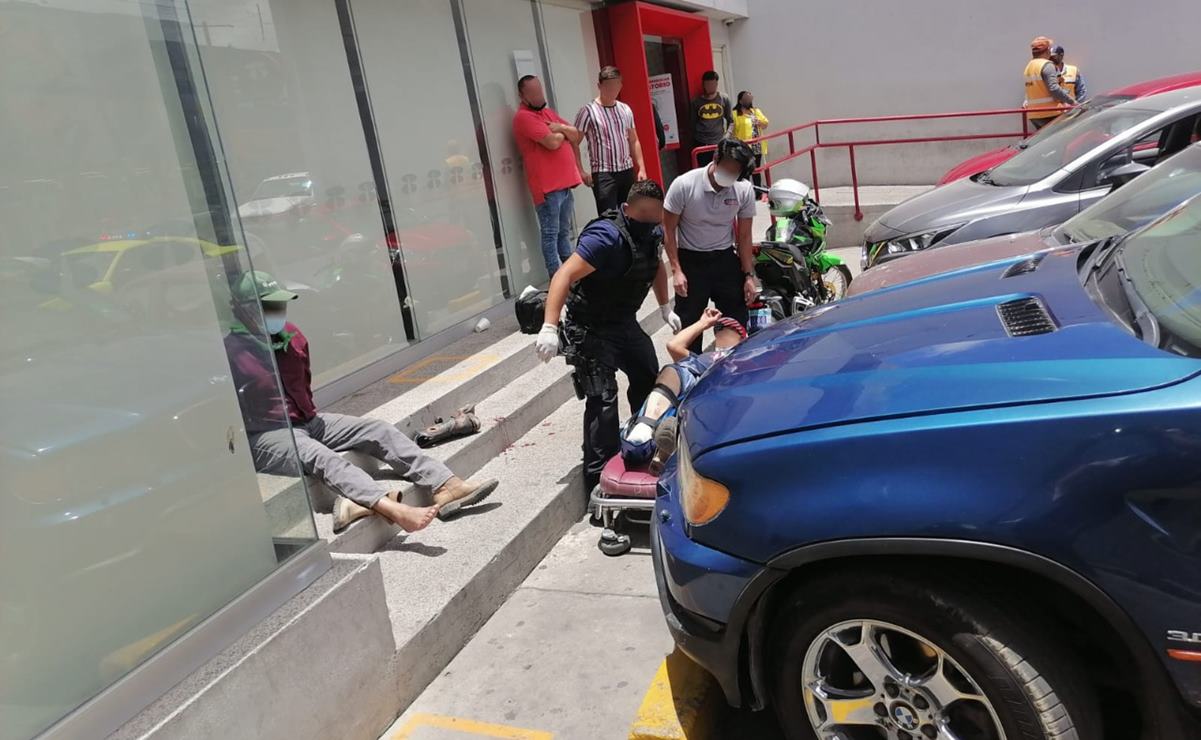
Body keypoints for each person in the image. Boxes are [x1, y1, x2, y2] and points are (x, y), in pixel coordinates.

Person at [225, 271, 498, 534]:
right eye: (269, 306)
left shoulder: (292, 335)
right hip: (266, 433)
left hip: (307, 420)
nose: (278, 311)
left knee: (377, 429)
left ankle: (445, 485)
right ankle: (393, 509)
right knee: (319, 455)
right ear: (245, 309)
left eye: (280, 305)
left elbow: (303, 385)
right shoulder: (231, 351)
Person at [533, 180, 681, 494]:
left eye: (655, 215)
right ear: (627, 209)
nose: (649, 220)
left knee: (648, 381)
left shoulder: (653, 232)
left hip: (624, 322)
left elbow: (655, 264)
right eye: (643, 214)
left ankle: (642, 444)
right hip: (591, 327)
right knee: (602, 401)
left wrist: (665, 307)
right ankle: (597, 480)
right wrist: (549, 326)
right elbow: (564, 274)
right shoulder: (605, 236)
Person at [620, 308, 746, 472]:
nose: (723, 327)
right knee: (673, 370)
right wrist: (703, 323)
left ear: (744, 338)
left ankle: (666, 448)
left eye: (732, 326)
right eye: (719, 327)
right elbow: (673, 345)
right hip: (695, 383)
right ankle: (645, 429)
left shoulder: (746, 357)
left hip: (717, 392)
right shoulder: (700, 360)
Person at [663, 138, 758, 354]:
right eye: (727, 168)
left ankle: (731, 365)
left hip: (725, 258)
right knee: (689, 325)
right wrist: (676, 270)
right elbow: (668, 230)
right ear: (716, 159)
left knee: (736, 320)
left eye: (736, 172)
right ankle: (691, 369)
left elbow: (744, 236)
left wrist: (748, 275)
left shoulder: (743, 189)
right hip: (691, 260)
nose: (730, 175)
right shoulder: (684, 185)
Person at [513, 74, 583, 277]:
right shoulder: (524, 117)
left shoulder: (547, 113)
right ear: (522, 96)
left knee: (564, 233)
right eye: (533, 93)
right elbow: (551, 143)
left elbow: (577, 135)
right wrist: (563, 135)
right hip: (547, 189)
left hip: (564, 186)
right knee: (551, 235)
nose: (539, 96)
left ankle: (570, 276)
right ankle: (558, 278)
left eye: (540, 91)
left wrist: (559, 128)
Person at [573, 66, 648, 214]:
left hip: (626, 170)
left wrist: (642, 168)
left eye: (616, 85)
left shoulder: (625, 109)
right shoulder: (588, 111)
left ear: (620, 85)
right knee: (609, 217)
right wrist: (580, 171)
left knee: (631, 214)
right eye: (608, 86)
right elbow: (574, 141)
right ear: (599, 86)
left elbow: (633, 140)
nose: (613, 89)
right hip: (604, 173)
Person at [1024, 36, 1076, 130]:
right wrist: (1072, 102)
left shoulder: (1029, 66)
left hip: (1033, 114)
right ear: (1048, 50)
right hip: (1050, 112)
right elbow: (1054, 88)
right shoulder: (1047, 65)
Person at [690, 71, 733, 167]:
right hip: (701, 143)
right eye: (707, 84)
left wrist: (727, 136)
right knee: (704, 170)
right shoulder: (696, 102)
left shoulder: (724, 99)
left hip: (718, 142)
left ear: (716, 84)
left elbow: (731, 121)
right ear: (703, 85)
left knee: (721, 168)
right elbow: (692, 123)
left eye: (712, 84)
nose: (709, 87)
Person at [730, 90, 769, 188]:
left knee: (756, 170)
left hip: (757, 146)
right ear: (740, 101)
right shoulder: (735, 114)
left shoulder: (755, 111)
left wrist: (759, 122)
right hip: (744, 147)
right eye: (746, 99)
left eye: (750, 98)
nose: (749, 100)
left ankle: (758, 191)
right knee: (745, 171)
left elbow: (765, 124)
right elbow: (731, 131)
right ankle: (746, 191)